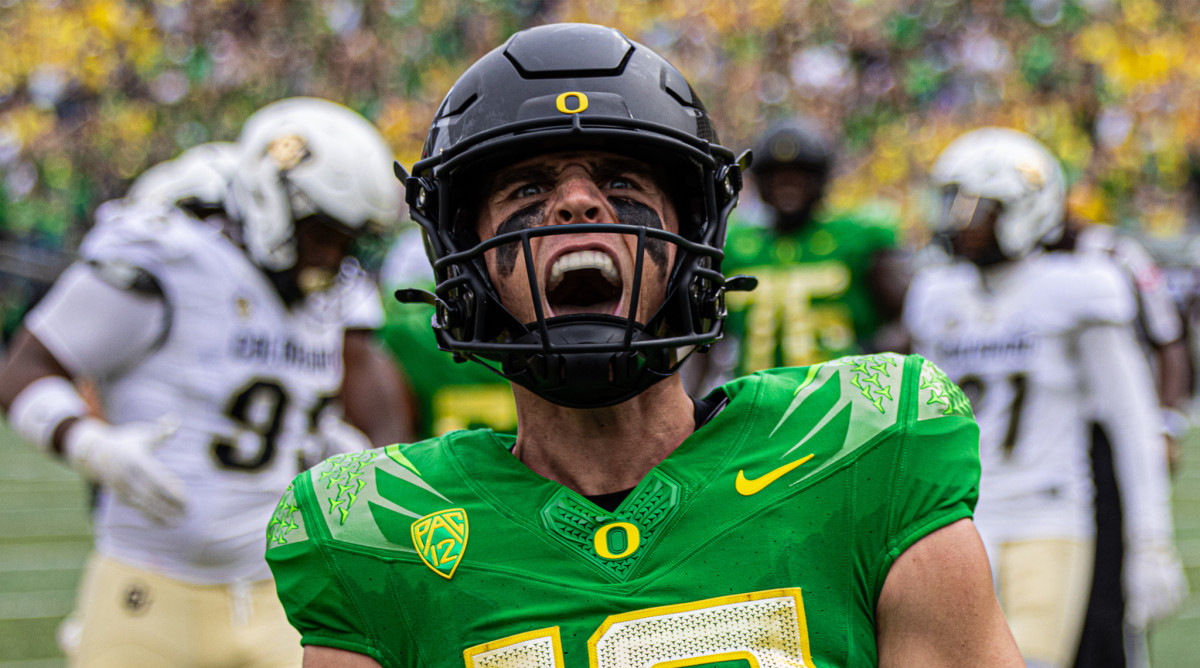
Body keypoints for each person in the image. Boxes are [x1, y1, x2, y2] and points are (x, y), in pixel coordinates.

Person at [265, 23, 1022, 667]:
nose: (577, 202)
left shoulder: (865, 455)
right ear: (470, 261)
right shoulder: (380, 533)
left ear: (690, 245)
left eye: (623, 182)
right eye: (526, 191)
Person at [0, 97, 408, 667]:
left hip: (281, 591)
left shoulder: (335, 290)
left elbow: (376, 400)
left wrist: (348, 448)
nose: (333, 257)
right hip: (147, 585)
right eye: (324, 234)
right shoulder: (168, 255)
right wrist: (87, 442)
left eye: (349, 240)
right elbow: (25, 367)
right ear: (273, 200)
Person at [903, 127, 1187, 668]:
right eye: (953, 203)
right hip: (961, 518)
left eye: (977, 207)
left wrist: (1151, 542)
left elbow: (1131, 421)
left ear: (1025, 207)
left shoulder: (1080, 285)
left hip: (1049, 511)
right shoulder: (936, 294)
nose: (960, 221)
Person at [1048, 216, 1193, 668]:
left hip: (1106, 437)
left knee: (1113, 585)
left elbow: (1168, 337)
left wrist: (1166, 421)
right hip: (1045, 445)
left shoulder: (1114, 255)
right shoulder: (998, 269)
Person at [696, 117, 908, 392]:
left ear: (820, 179)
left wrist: (872, 369)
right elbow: (702, 341)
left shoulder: (859, 237)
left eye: (799, 175)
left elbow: (907, 320)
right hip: (757, 407)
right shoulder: (733, 243)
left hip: (842, 404)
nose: (787, 185)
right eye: (776, 175)